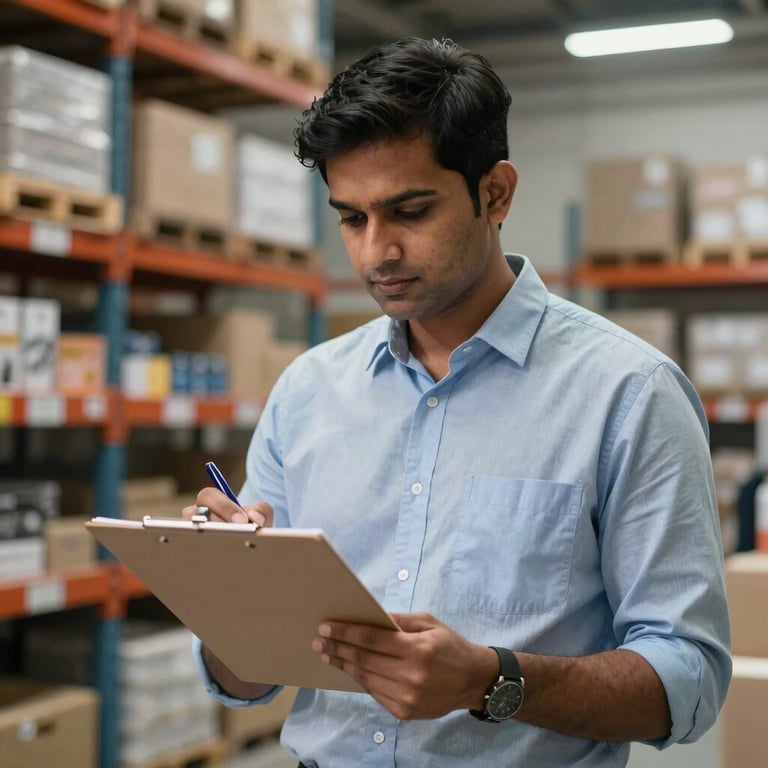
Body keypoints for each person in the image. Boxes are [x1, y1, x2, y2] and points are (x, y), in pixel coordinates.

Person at [184, 37, 731, 767]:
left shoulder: (628, 394)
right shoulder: (308, 392)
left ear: (495, 193)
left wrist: (493, 680)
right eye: (351, 218)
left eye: (409, 211)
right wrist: (232, 598)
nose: (376, 253)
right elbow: (244, 678)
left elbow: (688, 679)